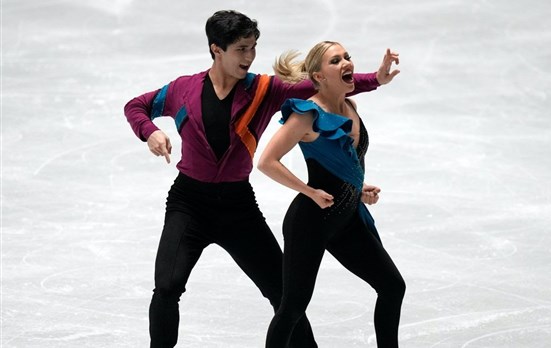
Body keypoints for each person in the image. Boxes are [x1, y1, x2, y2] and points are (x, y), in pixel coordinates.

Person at [123, 10, 400, 348]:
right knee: (167, 287)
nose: (250, 56)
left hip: (239, 209)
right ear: (216, 50)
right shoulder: (183, 89)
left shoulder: (264, 90)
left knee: (285, 297)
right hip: (189, 205)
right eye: (241, 49)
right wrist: (149, 131)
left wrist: (378, 79)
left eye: (253, 47)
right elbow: (136, 106)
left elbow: (322, 83)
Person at [257, 41, 406, 348]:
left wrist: (358, 188)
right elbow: (266, 162)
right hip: (309, 221)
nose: (345, 63)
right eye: (335, 61)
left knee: (392, 286)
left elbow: (344, 163)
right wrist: (308, 191)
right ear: (319, 76)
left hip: (346, 218)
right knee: (293, 308)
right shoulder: (307, 116)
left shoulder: (351, 106)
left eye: (347, 57)